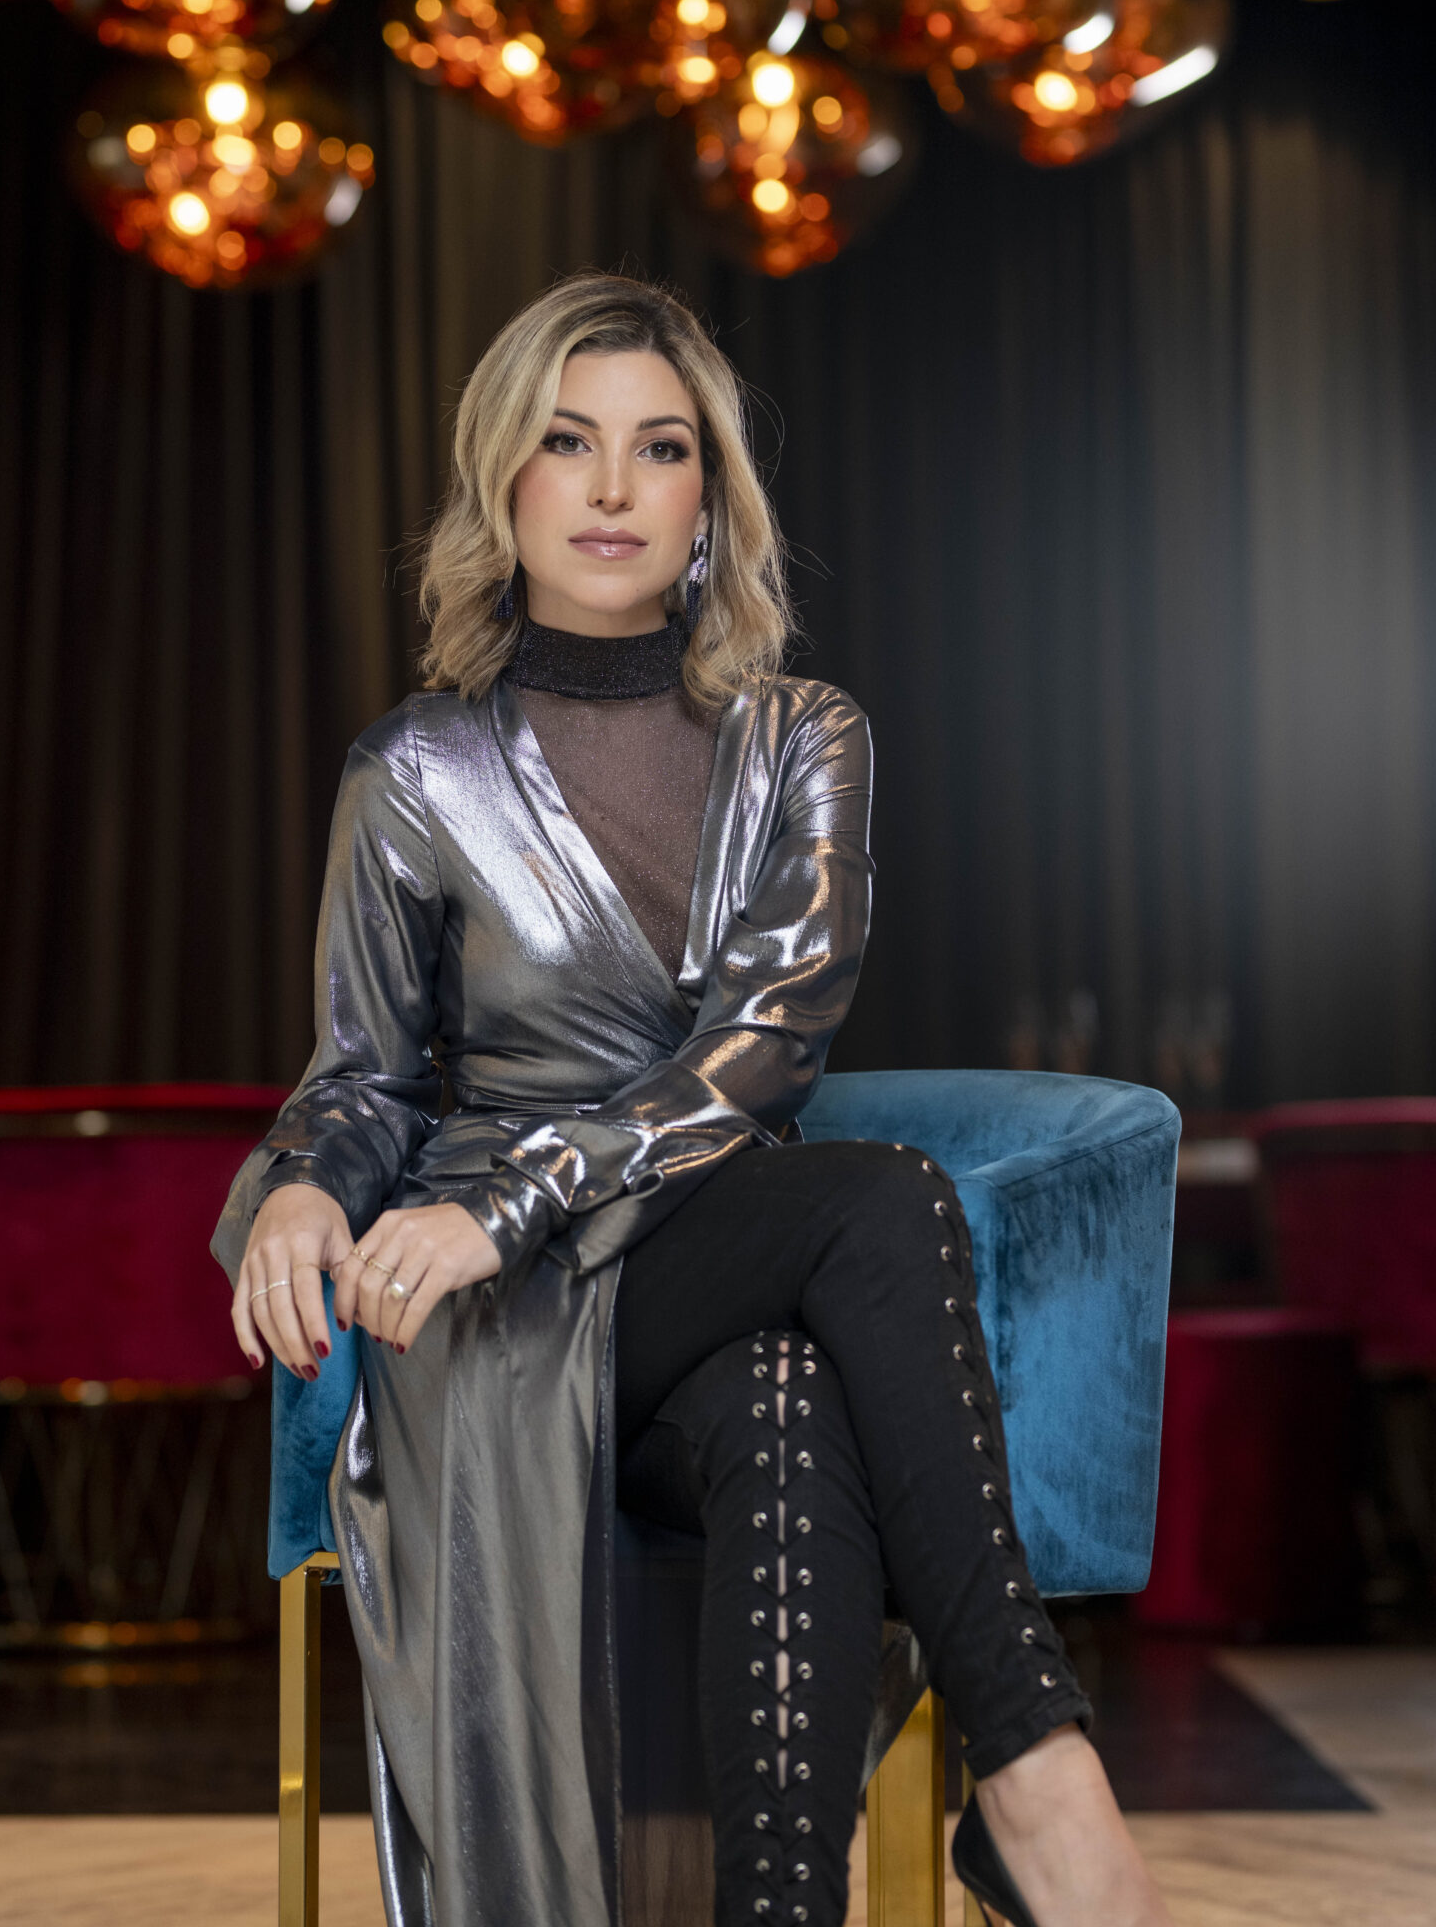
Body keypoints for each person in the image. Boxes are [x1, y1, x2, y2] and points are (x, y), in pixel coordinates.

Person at [213, 273, 1173, 1927]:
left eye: (659, 448)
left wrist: (503, 1196)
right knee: (879, 1201)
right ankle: (1035, 1773)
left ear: (709, 496)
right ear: (502, 481)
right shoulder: (413, 772)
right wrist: (307, 1183)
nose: (611, 487)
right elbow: (364, 1074)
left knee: (791, 1397)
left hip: (700, 1255)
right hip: (508, 1308)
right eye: (566, 442)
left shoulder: (806, 738)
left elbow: (770, 1048)